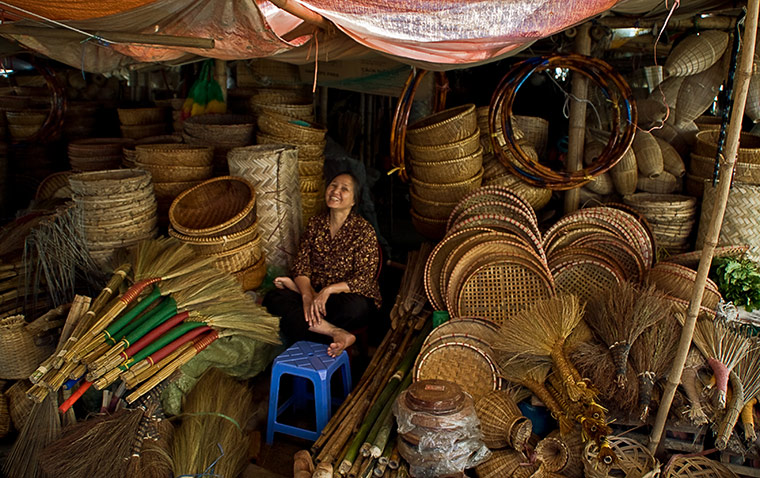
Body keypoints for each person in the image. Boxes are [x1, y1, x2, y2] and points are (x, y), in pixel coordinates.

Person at [263, 171, 381, 357]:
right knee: (273, 298)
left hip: (342, 299)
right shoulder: (316, 224)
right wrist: (306, 296)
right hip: (314, 294)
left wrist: (328, 291)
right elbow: (301, 266)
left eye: (344, 189)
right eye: (333, 185)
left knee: (355, 308)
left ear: (353, 201)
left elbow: (364, 279)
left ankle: (309, 329)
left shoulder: (364, 231)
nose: (336, 191)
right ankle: (335, 333)